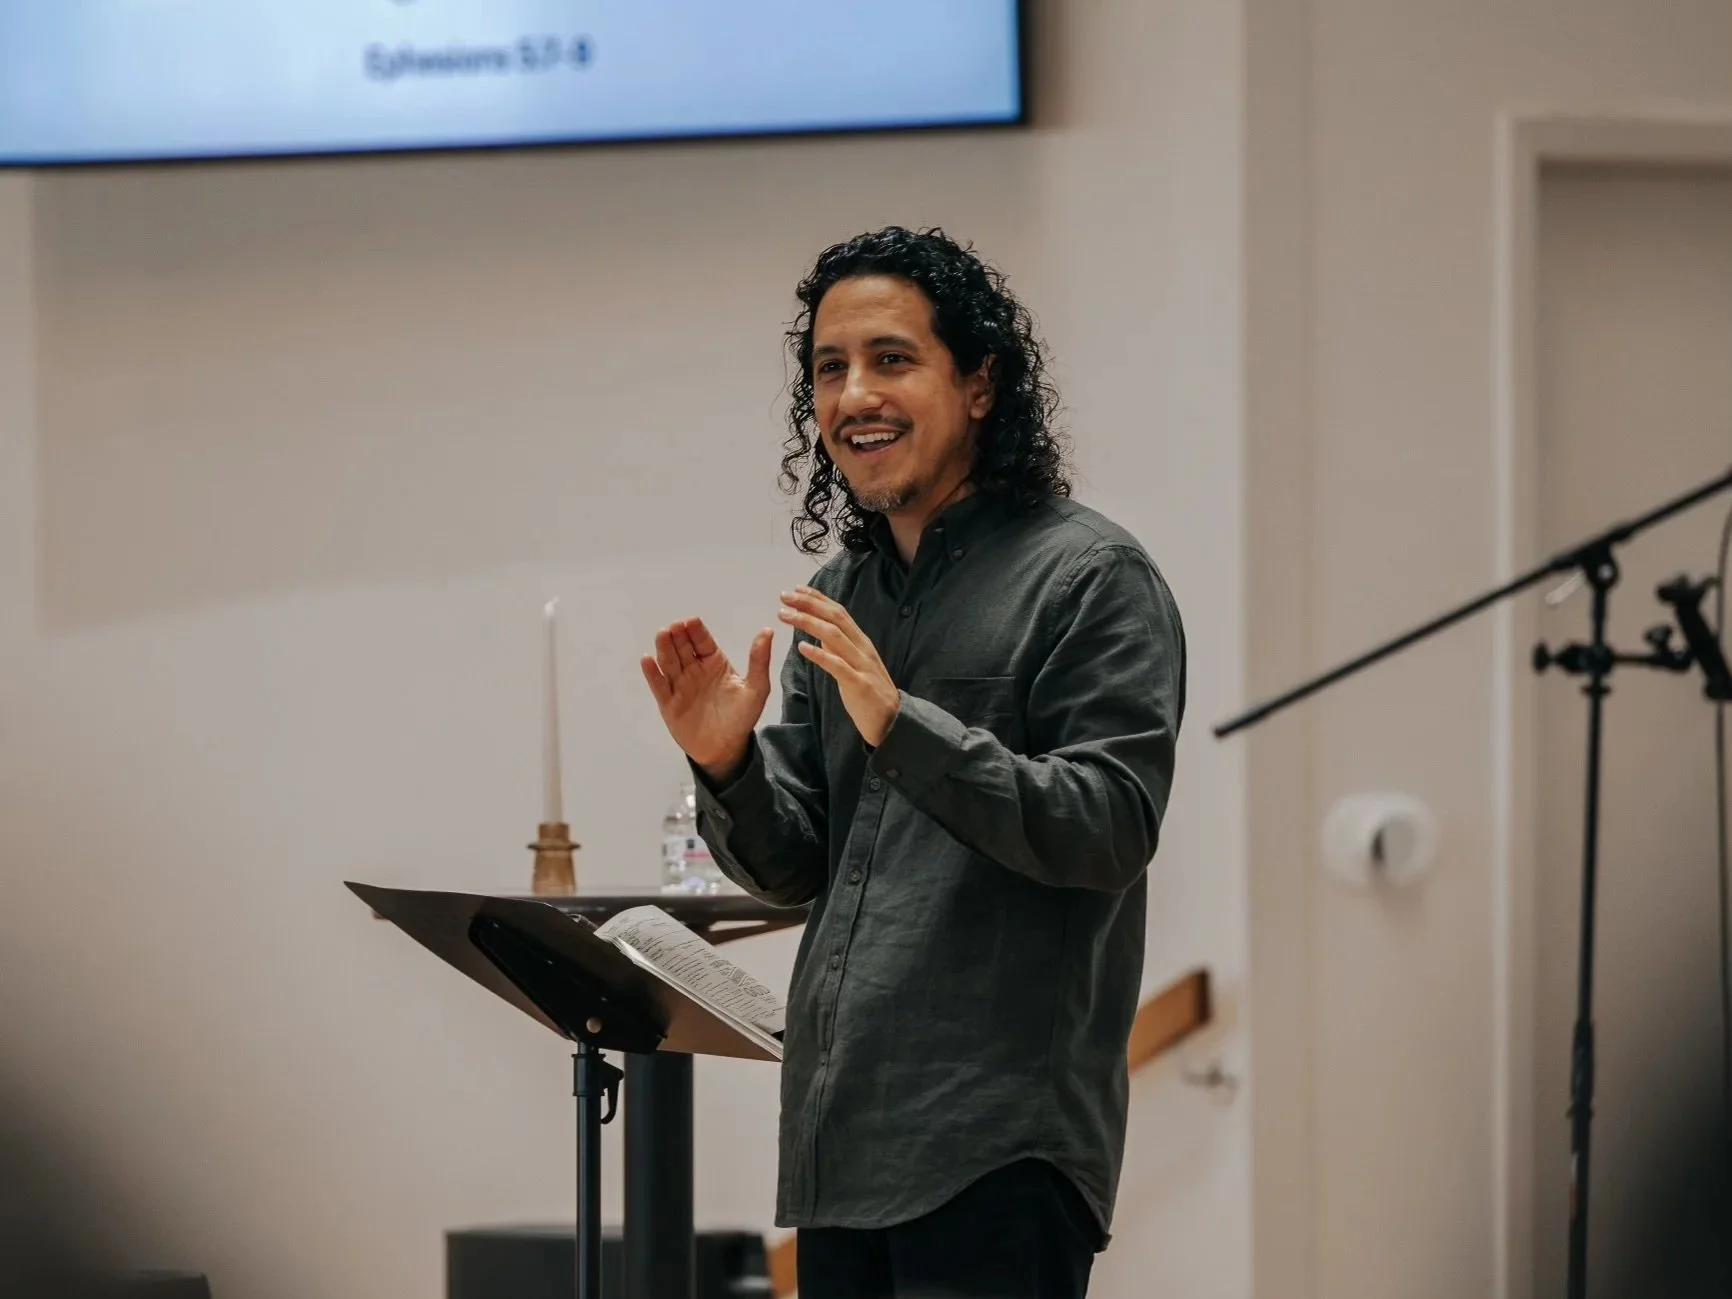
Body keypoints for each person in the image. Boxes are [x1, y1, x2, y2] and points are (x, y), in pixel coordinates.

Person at [641, 226, 1186, 1299]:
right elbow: (794, 867)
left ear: (980, 384)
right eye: (829, 368)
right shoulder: (841, 593)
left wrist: (904, 726)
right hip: (841, 1139)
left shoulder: (1091, 577)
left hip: (997, 1146)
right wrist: (726, 763)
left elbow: (1110, 828)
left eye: (891, 359)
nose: (854, 396)